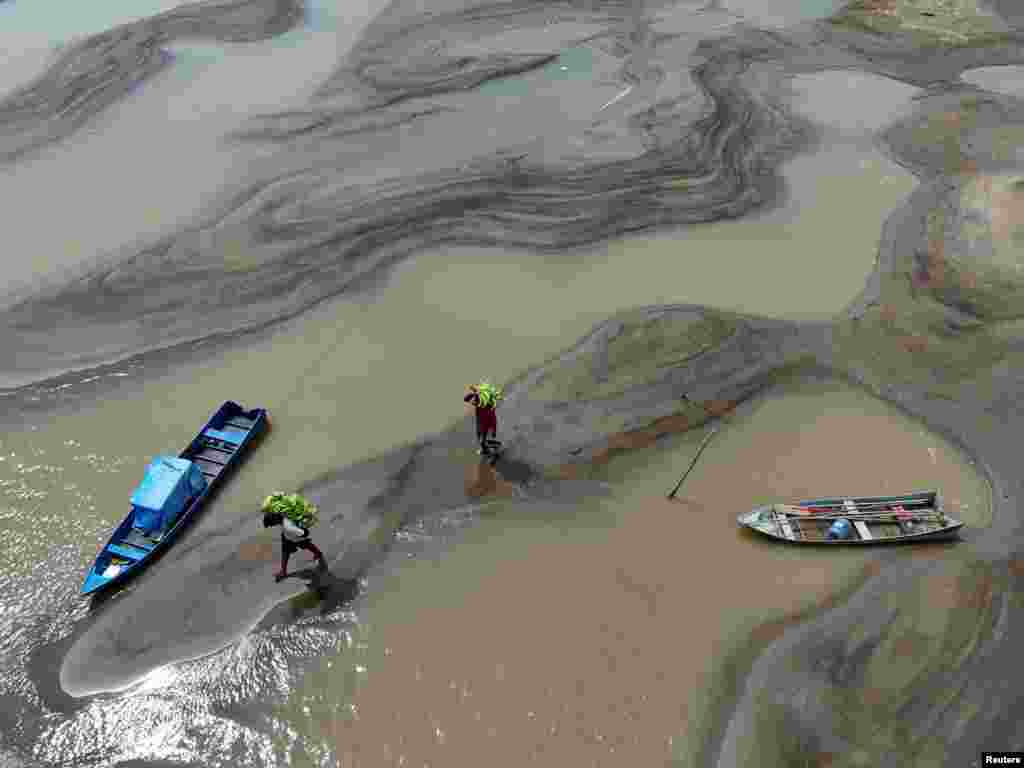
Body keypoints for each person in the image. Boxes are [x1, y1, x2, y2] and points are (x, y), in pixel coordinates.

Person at [262, 497, 327, 582]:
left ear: (275, 520)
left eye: (272, 524)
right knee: (287, 552)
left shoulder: (288, 527)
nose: (273, 525)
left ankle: (318, 554)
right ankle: (284, 571)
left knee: (306, 545)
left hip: (295, 538)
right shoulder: (283, 514)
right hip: (287, 537)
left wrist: (301, 532)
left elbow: (304, 533)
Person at [464, 380, 502, 455]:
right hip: (481, 424)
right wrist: (475, 391)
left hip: (485, 427)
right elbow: (466, 399)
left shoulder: (486, 406)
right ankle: (488, 449)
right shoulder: (483, 401)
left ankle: (494, 450)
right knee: (481, 439)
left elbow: (492, 420)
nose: (473, 402)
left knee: (483, 440)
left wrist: (493, 430)